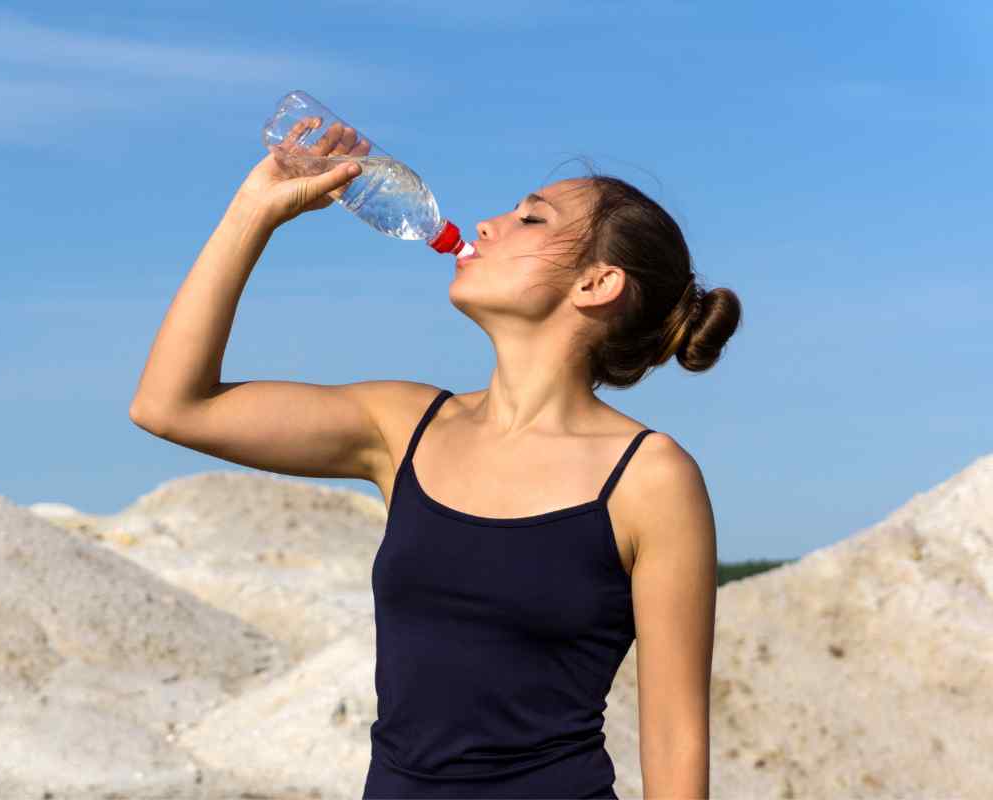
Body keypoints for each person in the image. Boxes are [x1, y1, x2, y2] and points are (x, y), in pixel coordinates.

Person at [130, 118, 741, 799]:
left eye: (530, 219)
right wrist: (255, 212)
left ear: (596, 284)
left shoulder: (651, 479)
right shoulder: (402, 426)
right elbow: (170, 405)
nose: (486, 225)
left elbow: (675, 739)